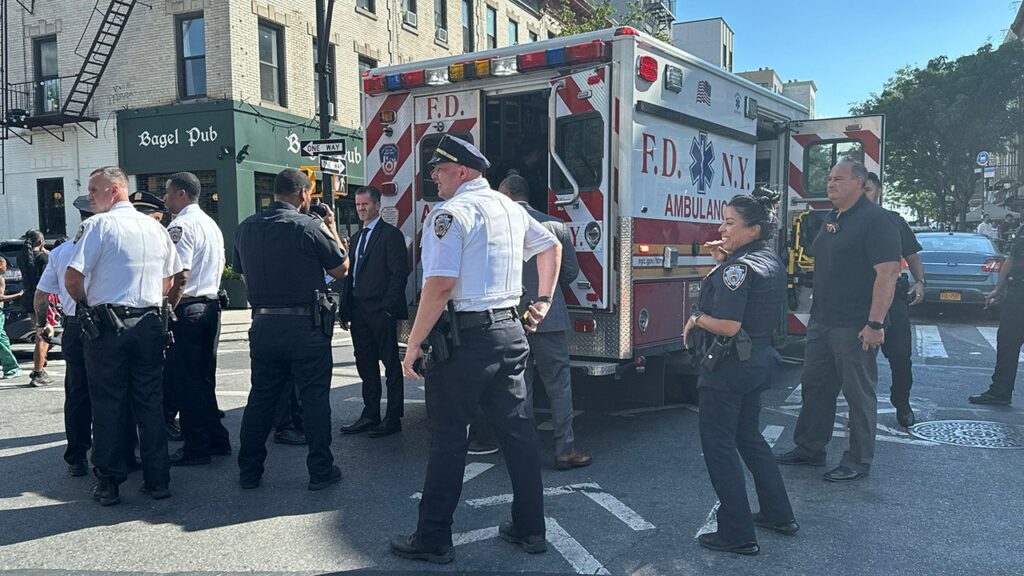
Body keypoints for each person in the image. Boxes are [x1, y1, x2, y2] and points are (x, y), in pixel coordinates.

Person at [390, 134, 561, 564]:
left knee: (449, 438)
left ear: (461, 171)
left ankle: (432, 539)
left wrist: (412, 343)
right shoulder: (509, 207)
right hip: (510, 330)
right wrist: (541, 300)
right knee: (519, 433)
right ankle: (530, 528)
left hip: (466, 339)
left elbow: (440, 284)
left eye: (439, 169)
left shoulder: (450, 214)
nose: (434, 177)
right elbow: (552, 246)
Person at [682, 190, 796, 556]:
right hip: (757, 362)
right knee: (749, 438)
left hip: (727, 368)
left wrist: (696, 318)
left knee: (719, 448)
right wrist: (723, 259)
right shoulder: (767, 260)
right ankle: (779, 513)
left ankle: (736, 532)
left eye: (730, 222)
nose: (722, 228)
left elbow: (729, 324)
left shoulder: (738, 268)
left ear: (754, 229)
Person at [775, 159, 901, 482]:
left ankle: (858, 460)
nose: (830, 184)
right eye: (829, 178)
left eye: (838, 179)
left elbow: (887, 274)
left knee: (858, 395)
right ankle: (810, 449)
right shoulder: (833, 218)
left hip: (854, 325)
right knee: (815, 388)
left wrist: (875, 324)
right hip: (822, 322)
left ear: (859, 183)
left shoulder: (877, 220)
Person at [65, 166, 184, 506]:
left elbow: (74, 280)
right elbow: (170, 279)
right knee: (149, 401)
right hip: (149, 323)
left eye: (93, 190)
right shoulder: (154, 226)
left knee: (108, 403)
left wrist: (90, 302)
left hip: (109, 325)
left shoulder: (98, 226)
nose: (89, 196)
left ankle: (110, 481)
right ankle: (158, 479)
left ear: (114, 191)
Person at [233, 168, 348, 491]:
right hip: (305, 326)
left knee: (261, 398)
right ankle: (321, 471)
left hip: (264, 323)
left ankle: (249, 471)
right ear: (304, 195)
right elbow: (341, 269)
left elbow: (243, 276)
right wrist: (330, 228)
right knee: (314, 398)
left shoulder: (246, 228)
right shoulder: (309, 227)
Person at [36, 195, 141, 477]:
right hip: (108, 322)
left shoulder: (60, 253)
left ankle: (77, 456)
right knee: (119, 389)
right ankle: (125, 451)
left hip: (74, 324)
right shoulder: (112, 243)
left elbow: (42, 294)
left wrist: (41, 324)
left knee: (78, 393)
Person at [499, 174, 590, 469]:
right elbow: (570, 272)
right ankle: (565, 449)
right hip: (548, 315)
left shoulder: (499, 226)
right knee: (559, 384)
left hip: (510, 316)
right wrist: (547, 294)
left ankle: (523, 452)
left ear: (506, 194)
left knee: (519, 385)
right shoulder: (555, 225)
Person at [160, 172, 232, 466]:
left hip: (188, 309)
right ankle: (216, 438)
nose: (164, 199)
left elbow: (181, 276)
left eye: (167, 193)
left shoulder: (180, 226)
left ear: (180, 193)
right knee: (203, 379)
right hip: (211, 305)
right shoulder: (210, 224)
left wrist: (168, 310)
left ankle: (197, 448)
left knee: (187, 382)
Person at [338, 185, 410, 438]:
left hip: (381, 310)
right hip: (359, 311)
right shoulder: (357, 238)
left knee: (391, 366)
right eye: (358, 205)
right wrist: (345, 309)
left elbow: (399, 273)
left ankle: (393, 418)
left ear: (377, 205)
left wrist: (388, 307)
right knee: (365, 365)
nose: (361, 209)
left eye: (365, 204)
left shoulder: (391, 235)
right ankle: (370, 415)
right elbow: (351, 277)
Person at [864, 173, 925, 427]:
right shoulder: (843, 221)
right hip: (860, 299)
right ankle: (859, 409)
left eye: (868, 188)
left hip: (893, 299)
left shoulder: (894, 221)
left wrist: (920, 281)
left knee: (900, 356)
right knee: (858, 360)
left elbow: (912, 256)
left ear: (878, 191)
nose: (863, 193)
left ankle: (902, 402)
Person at [129, 191, 181, 440]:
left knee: (115, 394)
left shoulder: (107, 231)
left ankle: (120, 457)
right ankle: (156, 472)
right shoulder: (159, 235)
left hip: (111, 322)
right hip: (148, 317)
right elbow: (173, 278)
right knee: (150, 389)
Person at [968, 219, 1024, 405]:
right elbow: (1011, 259)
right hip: (1018, 293)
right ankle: (1000, 391)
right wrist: (998, 289)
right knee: (1008, 343)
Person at [19, 230, 53, 387]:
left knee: (42, 333)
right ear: (41, 242)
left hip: (28, 298)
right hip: (43, 299)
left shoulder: (21, 257)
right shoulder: (44, 258)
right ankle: (38, 371)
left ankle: (39, 365)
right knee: (44, 334)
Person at [0, 257, 23, 379]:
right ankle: (11, 367)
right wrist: (18, 295)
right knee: (1, 340)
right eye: (5, 265)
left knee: (2, 339)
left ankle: (11, 367)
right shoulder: (0, 279)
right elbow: (0, 297)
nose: (7, 268)